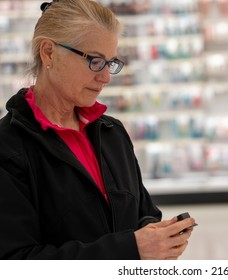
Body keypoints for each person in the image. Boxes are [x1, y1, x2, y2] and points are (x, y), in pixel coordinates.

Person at [0, 0, 196, 260]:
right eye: (94, 61)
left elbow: (142, 212)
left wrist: (158, 236)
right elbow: (16, 262)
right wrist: (130, 249)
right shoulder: (8, 149)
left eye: (111, 63)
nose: (105, 77)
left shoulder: (111, 132)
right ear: (48, 52)